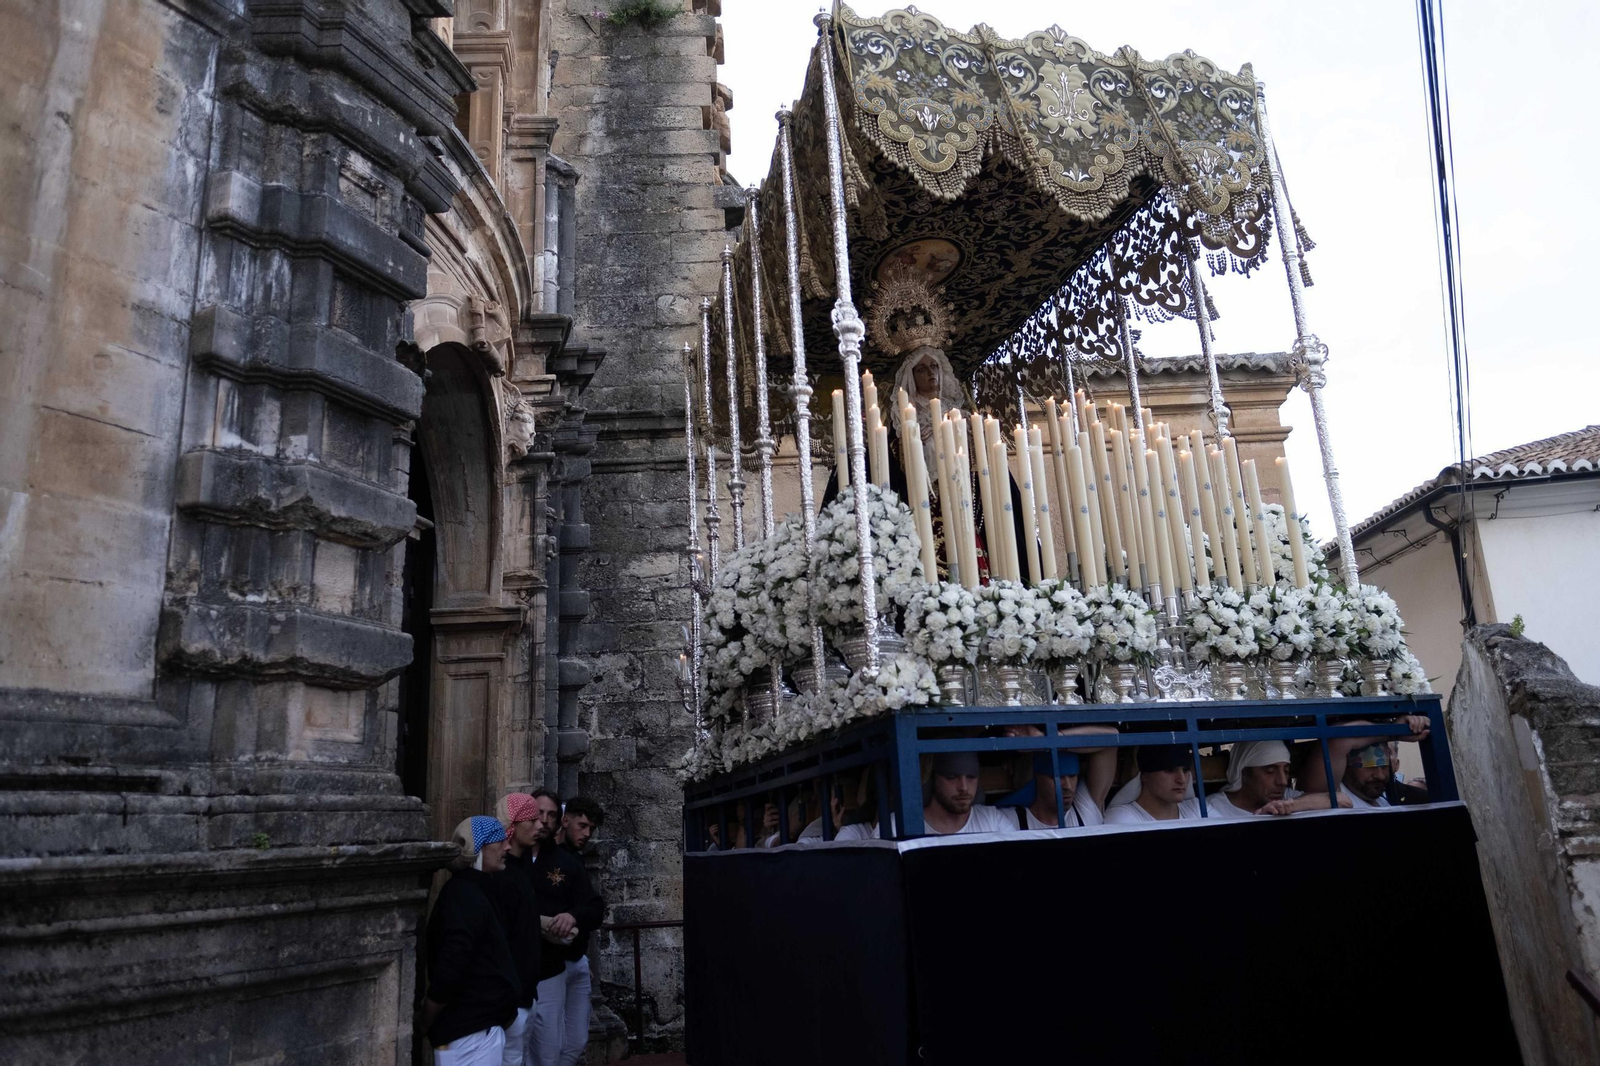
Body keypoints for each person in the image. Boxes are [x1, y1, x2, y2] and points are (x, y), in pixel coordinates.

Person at [421, 816, 520, 1066]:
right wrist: (429, 1014)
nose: (507, 847)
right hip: (468, 1034)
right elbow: (452, 963)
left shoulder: (478, 890)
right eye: (499, 841)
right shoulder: (463, 896)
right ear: (478, 849)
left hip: (479, 1028)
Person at [528, 790, 605, 1066]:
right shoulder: (519, 861)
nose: (544, 821)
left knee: (573, 1043)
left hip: (571, 960)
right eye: (582, 825)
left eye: (550, 814)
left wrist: (573, 918)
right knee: (546, 1046)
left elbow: (594, 907)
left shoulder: (570, 862)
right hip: (544, 966)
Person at [491, 794, 544, 1066]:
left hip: (526, 993)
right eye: (532, 820)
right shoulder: (501, 873)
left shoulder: (522, 867)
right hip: (512, 999)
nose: (540, 826)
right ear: (513, 824)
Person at [1206, 741, 1351, 818]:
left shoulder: (1286, 797)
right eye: (1269, 771)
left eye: (1286, 771)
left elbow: (1343, 801)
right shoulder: (1212, 807)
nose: (1282, 781)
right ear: (1244, 773)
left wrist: (1291, 806)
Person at [922, 751, 1018, 835]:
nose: (964, 787)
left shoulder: (992, 821)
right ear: (933, 778)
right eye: (952, 777)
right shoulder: (914, 826)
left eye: (971, 777)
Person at [1105, 745, 1203, 824]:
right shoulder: (1122, 818)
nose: (1181, 780)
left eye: (1185, 770)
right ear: (1144, 775)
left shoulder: (1199, 809)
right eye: (1169, 770)